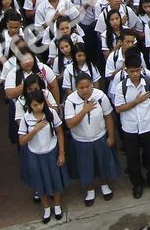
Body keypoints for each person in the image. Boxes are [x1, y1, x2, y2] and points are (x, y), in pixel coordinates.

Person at [110, 54, 150, 199]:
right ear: (126, 71)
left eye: (137, 70)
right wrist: (136, 101)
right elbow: (119, 108)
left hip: (147, 125)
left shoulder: (149, 82)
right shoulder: (121, 86)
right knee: (132, 158)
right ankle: (137, 183)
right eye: (132, 71)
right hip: (130, 128)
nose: (135, 74)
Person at [61, 72, 117, 206]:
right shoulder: (71, 101)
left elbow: (108, 117)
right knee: (85, 166)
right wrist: (84, 110)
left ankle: (104, 185)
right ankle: (90, 190)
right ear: (76, 88)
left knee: (102, 163)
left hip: (100, 137)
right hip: (81, 140)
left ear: (92, 85)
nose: (85, 90)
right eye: (81, 87)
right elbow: (70, 123)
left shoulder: (100, 96)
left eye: (88, 86)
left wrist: (111, 136)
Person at [14, 91, 66, 223]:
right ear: (30, 105)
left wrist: (61, 152)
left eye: (40, 104)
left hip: (51, 152)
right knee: (39, 181)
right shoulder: (26, 118)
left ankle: (57, 205)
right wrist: (35, 129)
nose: (38, 107)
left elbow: (59, 132)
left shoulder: (51, 114)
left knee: (55, 180)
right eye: (35, 105)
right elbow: (22, 141)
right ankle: (46, 208)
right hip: (35, 154)